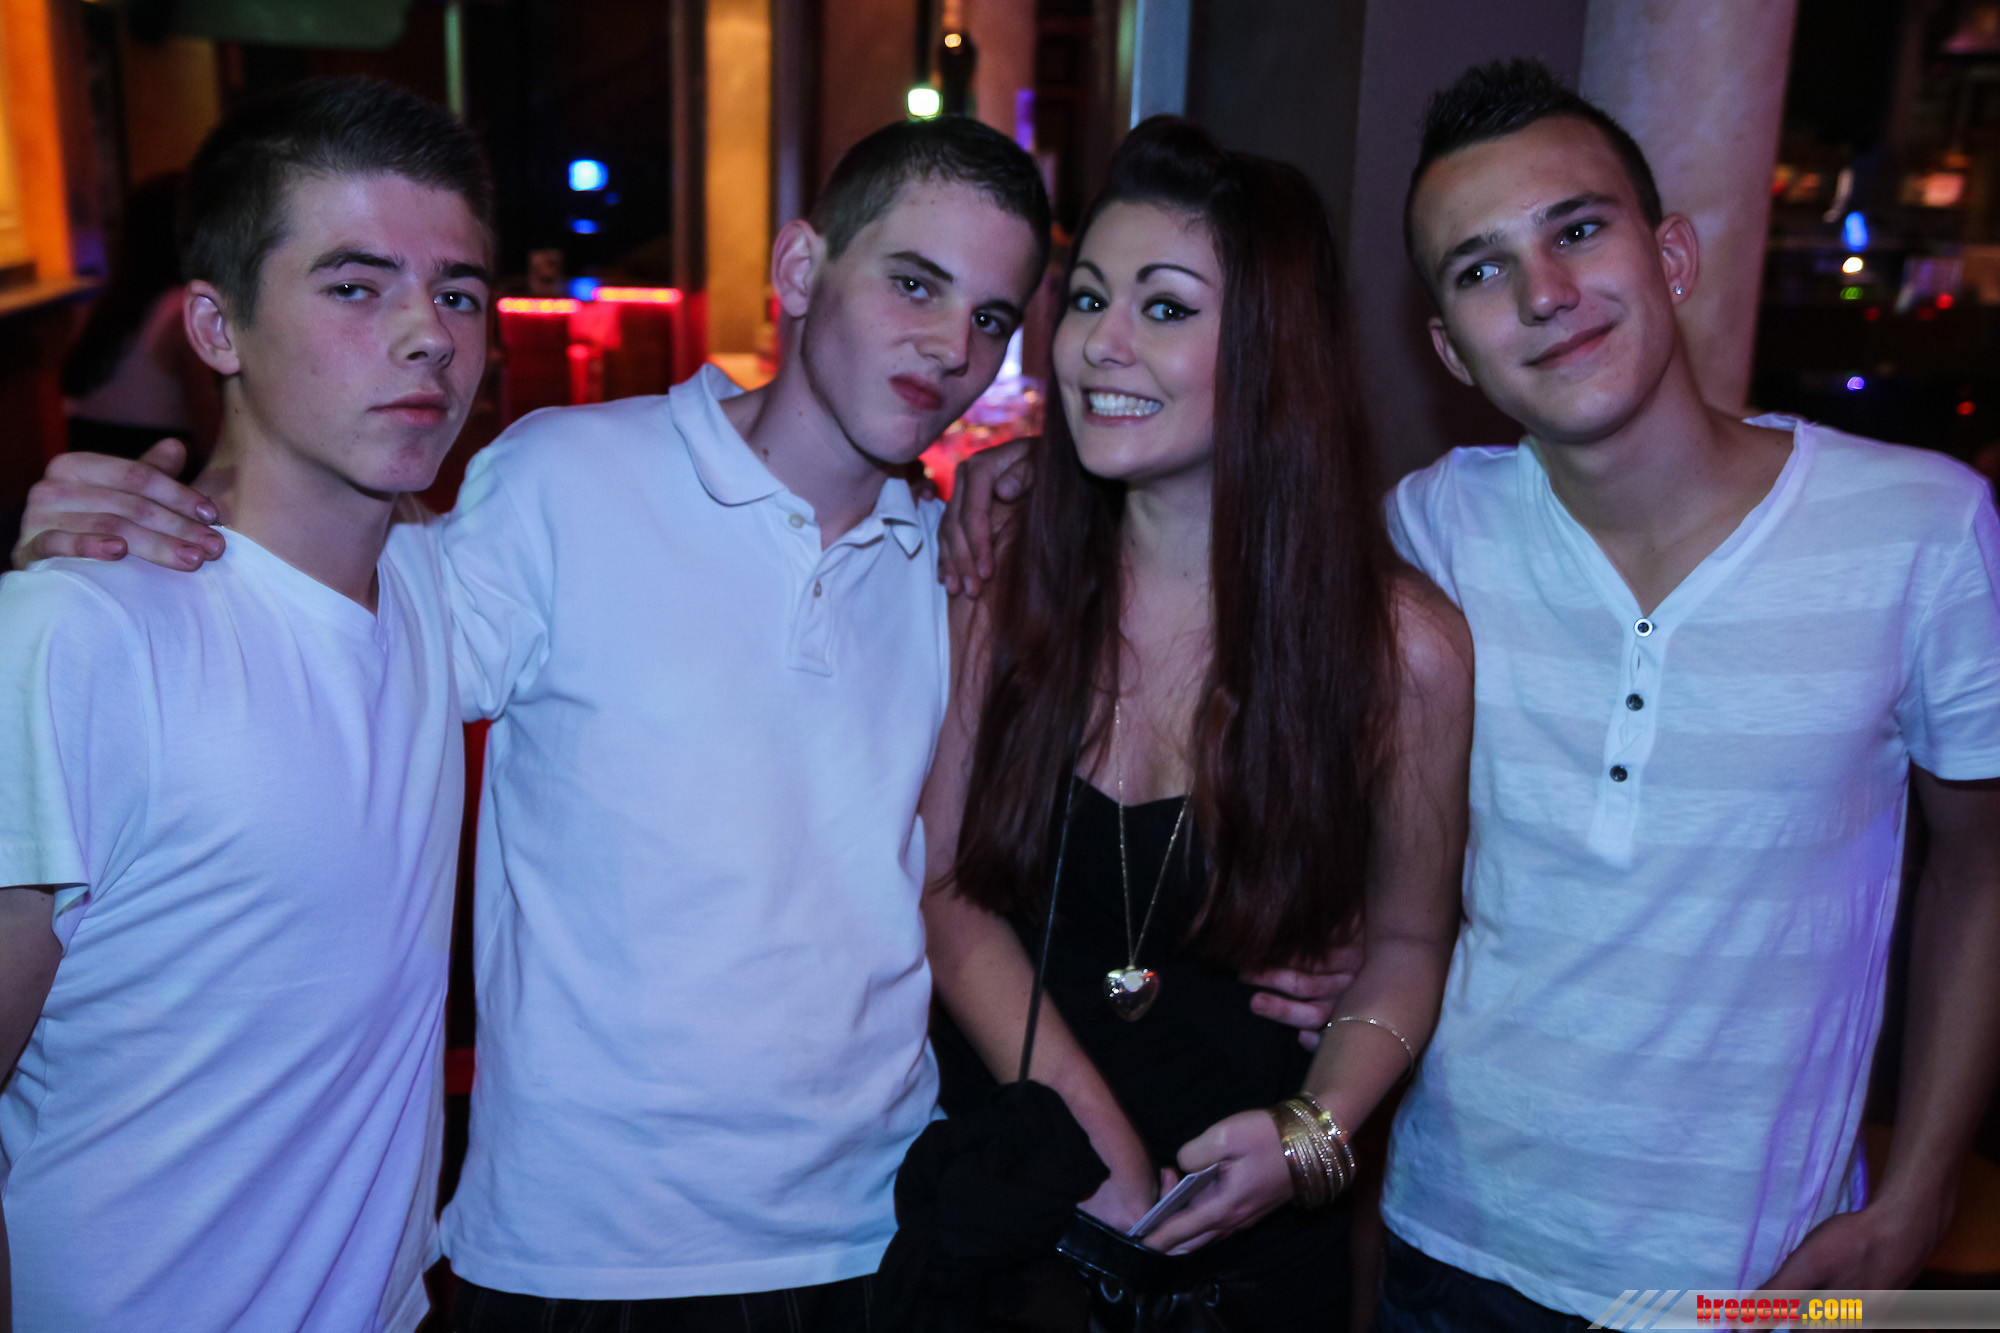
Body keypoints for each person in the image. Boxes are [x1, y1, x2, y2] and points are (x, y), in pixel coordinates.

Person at [12, 114, 1361, 1332]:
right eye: (913, 283)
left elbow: (1032, 836)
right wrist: (120, 533)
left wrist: (1338, 938)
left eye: (992, 316)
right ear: (798, 267)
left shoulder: (957, 565)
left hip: (879, 1232)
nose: (951, 345)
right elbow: (331, 610)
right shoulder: (558, 481)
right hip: (581, 1255)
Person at [940, 59, 2000, 1331]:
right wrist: (1020, 465)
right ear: (1445, 343)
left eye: (1576, 231)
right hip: (1449, 1254)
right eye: (1482, 268)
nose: (1542, 293)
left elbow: (1978, 865)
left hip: (1765, 1281)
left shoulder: (1922, 528)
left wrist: (1921, 1191)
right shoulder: (1435, 530)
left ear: (1671, 254)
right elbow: (1261, 577)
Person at [920, 118, 1472, 1328]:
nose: (1097, 345)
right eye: (1086, 299)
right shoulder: (1005, 571)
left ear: (1270, 350)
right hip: (1013, 1221)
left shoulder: (1399, 648)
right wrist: (1098, 1149)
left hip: (1255, 1268)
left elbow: (1408, 940)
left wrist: (1314, 1133)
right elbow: (947, 888)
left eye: (1163, 307)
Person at [0, 76, 490, 1331]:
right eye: (355, 286)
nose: (428, 335)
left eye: (458, 293)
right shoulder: (83, 628)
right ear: (216, 327)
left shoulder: (436, 585)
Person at [60, 173, 219, 472]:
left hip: (93, 480)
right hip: (155, 481)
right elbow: (213, 444)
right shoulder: (182, 314)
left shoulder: (98, 310)